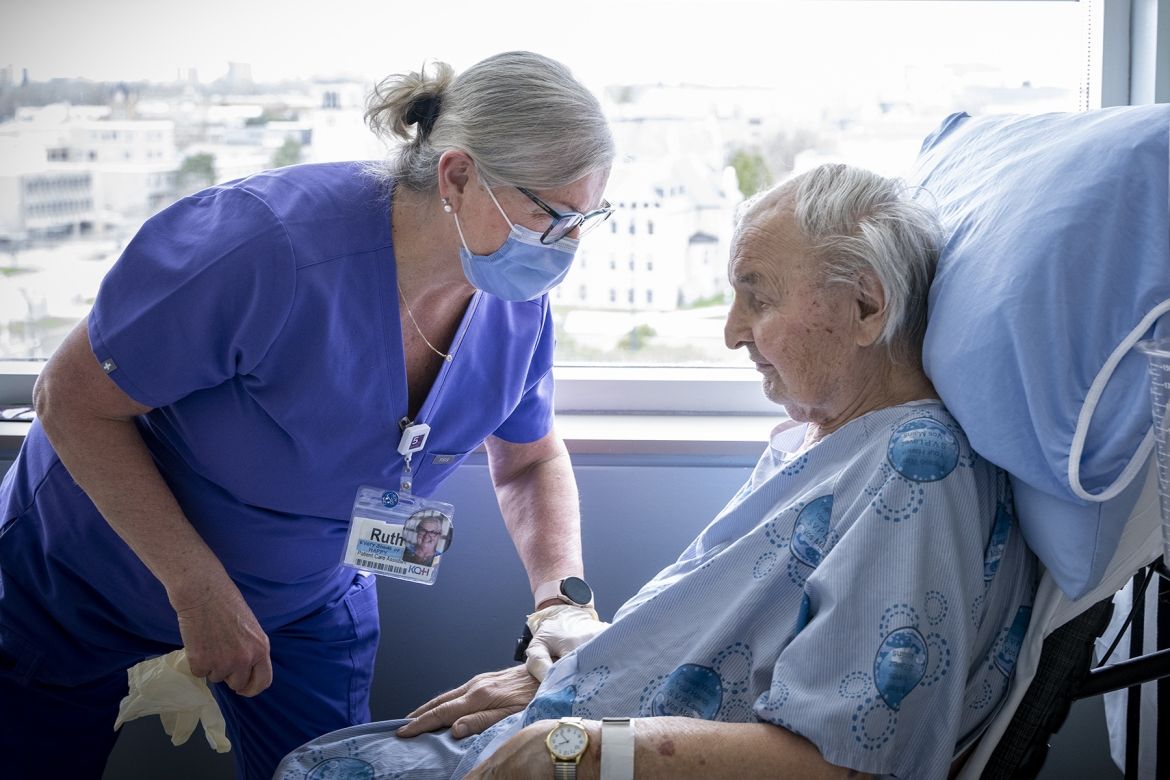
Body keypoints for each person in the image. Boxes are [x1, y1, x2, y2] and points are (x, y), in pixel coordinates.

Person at [275, 163, 1039, 780]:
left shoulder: (913, 467)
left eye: (756, 297)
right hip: (585, 719)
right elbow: (727, 646)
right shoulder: (822, 443)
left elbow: (849, 761)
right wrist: (570, 676)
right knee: (317, 761)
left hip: (599, 759)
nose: (734, 331)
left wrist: (579, 745)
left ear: (867, 306)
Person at [0, 51, 614, 779]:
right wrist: (198, 590)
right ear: (456, 175)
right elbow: (69, 401)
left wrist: (561, 603)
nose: (569, 244)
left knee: (327, 768)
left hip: (306, 598)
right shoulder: (263, 246)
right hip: (86, 578)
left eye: (588, 217)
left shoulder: (515, 299)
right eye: (552, 215)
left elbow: (529, 458)